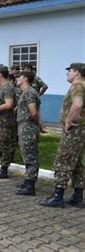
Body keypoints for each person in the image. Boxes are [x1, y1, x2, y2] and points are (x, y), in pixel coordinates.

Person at [40, 63, 84, 208]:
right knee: (76, 163)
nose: (67, 74)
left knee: (63, 160)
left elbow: (77, 104)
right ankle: (78, 196)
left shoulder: (78, 86)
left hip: (75, 130)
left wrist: (68, 121)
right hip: (80, 130)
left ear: (76, 72)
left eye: (69, 71)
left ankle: (58, 196)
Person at [15, 71, 41, 196]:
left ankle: (30, 185)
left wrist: (38, 125)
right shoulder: (25, 92)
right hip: (24, 125)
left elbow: (34, 112)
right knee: (26, 154)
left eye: (19, 77)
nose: (17, 79)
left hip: (28, 126)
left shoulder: (30, 92)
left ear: (25, 79)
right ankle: (27, 180)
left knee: (30, 155)